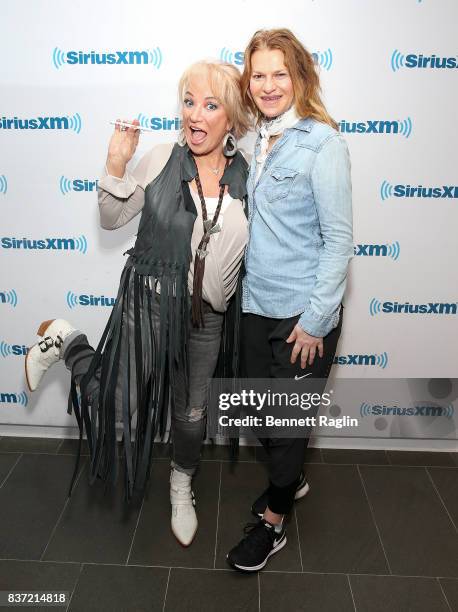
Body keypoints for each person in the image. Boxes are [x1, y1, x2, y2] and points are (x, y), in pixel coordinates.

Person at [25, 60, 250, 547]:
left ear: (231, 118)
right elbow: (111, 219)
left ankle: (181, 484)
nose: (195, 114)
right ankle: (70, 344)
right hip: (147, 308)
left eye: (210, 105)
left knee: (191, 416)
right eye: (189, 101)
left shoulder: (249, 180)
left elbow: (235, 269)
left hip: (205, 322)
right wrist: (115, 165)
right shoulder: (162, 159)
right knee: (114, 406)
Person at [226, 29, 353, 572]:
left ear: (300, 76)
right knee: (260, 416)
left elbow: (339, 239)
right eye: (259, 74)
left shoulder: (323, 144)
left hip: (302, 316)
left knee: (285, 425)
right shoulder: (258, 141)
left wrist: (316, 321)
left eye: (280, 73)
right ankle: (291, 478)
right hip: (255, 305)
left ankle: (274, 521)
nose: (269, 85)